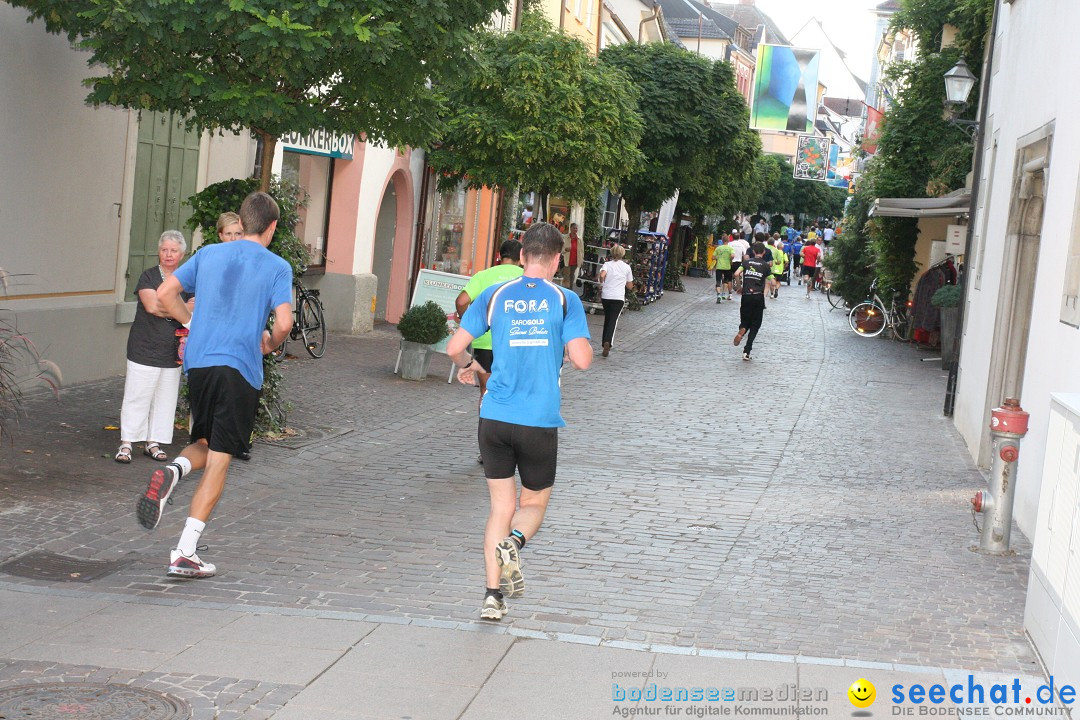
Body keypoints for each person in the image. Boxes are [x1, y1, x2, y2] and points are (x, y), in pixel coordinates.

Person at [138, 191, 293, 580]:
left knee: (206, 441)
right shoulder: (276, 266)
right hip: (238, 366)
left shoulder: (208, 254)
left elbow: (164, 294)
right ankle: (185, 551)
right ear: (272, 227)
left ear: (242, 221)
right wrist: (269, 344)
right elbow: (285, 323)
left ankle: (174, 470)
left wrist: (190, 323)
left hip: (200, 363)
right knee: (222, 458)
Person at [445, 222, 593, 621]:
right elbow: (582, 360)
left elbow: (454, 347)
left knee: (499, 507)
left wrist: (473, 367)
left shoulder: (495, 295)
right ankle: (514, 542)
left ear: (523, 256)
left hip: (493, 417)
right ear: (558, 260)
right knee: (533, 504)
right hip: (538, 419)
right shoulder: (565, 300)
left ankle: (492, 597)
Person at [115, 231, 193, 464]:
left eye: (174, 250)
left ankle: (153, 442)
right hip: (144, 346)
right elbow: (152, 306)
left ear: (182, 254)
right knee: (137, 395)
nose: (168, 254)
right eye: (164, 250)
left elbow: (193, 308)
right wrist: (179, 310)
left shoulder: (187, 280)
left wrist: (173, 308)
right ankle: (127, 443)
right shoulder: (148, 277)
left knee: (165, 397)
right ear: (159, 251)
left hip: (173, 349)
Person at [455, 239, 524, 462]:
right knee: (512, 392)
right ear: (521, 256)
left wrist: (469, 322)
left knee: (487, 393)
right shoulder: (526, 279)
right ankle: (510, 447)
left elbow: (461, 300)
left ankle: (487, 450)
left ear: (499, 255)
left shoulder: (484, 276)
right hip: (515, 342)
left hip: (485, 343)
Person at [733, 241, 772, 361]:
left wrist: (739, 287)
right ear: (764, 252)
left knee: (745, 320)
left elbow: (736, 273)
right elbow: (772, 281)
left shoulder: (746, 262)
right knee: (755, 324)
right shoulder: (765, 265)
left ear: (754, 251)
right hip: (758, 296)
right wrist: (765, 293)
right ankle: (747, 351)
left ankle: (743, 328)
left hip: (746, 295)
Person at [598, 244, 634, 357]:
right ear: (623, 254)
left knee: (607, 318)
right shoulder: (627, 267)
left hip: (606, 296)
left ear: (612, 253)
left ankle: (604, 342)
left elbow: (602, 274)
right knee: (613, 320)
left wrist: (602, 282)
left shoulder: (607, 264)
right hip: (618, 297)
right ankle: (608, 341)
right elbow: (629, 286)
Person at [561, 222, 580, 288]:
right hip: (567, 260)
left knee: (572, 276)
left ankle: (570, 290)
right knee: (566, 276)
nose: (575, 230)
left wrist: (581, 260)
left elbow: (581, 251)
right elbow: (561, 249)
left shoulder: (579, 239)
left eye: (576, 228)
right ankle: (565, 290)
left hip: (575, 261)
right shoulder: (565, 238)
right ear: (570, 229)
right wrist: (565, 250)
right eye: (574, 228)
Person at [714, 236, 734, 303]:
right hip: (727, 267)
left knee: (718, 281)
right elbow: (732, 255)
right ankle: (723, 293)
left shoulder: (718, 248)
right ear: (728, 241)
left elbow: (713, 257)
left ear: (722, 240)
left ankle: (718, 295)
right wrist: (730, 259)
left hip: (719, 266)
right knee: (726, 280)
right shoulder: (730, 248)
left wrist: (718, 257)